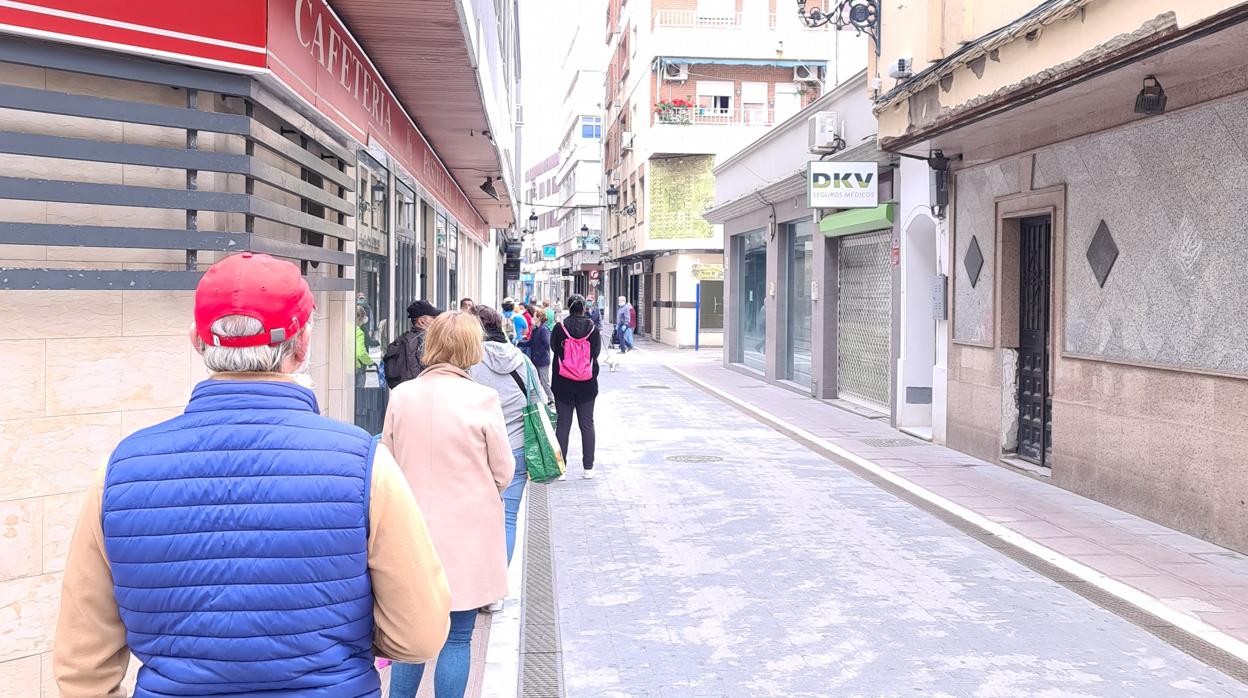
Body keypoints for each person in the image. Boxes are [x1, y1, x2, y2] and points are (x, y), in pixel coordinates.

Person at [53, 252, 451, 698]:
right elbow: (419, 634)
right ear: (302, 345)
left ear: (197, 341)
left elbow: (82, 667)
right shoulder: (365, 465)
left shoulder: (120, 471)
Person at [384, 312, 515, 698]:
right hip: (467, 533)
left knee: (410, 638)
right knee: (458, 637)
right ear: (472, 348)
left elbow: (386, 461)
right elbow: (504, 470)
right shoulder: (482, 398)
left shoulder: (402, 395)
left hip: (410, 530)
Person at [468, 306, 547, 567]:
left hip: (478, 450)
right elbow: (538, 400)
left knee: (475, 518)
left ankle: (478, 577)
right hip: (517, 447)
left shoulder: (470, 362)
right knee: (508, 518)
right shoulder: (522, 360)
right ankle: (499, 583)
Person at [551, 294, 601, 478]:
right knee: (587, 424)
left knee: (563, 425)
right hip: (587, 384)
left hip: (563, 383)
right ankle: (588, 468)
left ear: (568, 307)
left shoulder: (560, 328)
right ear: (584, 308)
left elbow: (554, 348)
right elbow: (596, 353)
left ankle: (561, 470)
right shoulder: (593, 329)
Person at [383, 300, 443, 389]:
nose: (436, 321)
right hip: (423, 391)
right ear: (422, 321)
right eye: (433, 318)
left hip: (403, 391)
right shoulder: (427, 342)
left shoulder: (402, 340)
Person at [529, 308, 553, 399]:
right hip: (536, 360)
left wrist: (537, 354)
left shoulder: (544, 330)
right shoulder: (535, 330)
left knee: (544, 382)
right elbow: (531, 343)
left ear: (539, 318)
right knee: (537, 382)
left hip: (542, 360)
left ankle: (551, 399)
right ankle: (539, 399)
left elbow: (546, 344)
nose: (533, 318)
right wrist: (519, 343)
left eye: (534, 316)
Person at [356, 305, 375, 387]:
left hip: (342, 367)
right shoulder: (359, 332)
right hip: (356, 367)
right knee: (359, 390)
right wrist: (370, 362)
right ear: (359, 318)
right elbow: (361, 353)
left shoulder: (345, 328)